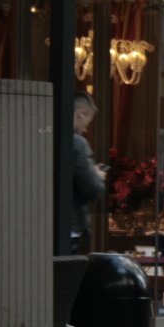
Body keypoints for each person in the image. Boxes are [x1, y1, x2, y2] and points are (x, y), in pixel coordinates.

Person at [70, 91, 106, 254]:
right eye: (87, 123)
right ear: (81, 114)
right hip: (70, 226)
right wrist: (97, 176)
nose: (84, 130)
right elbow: (93, 189)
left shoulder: (45, 136)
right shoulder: (77, 143)